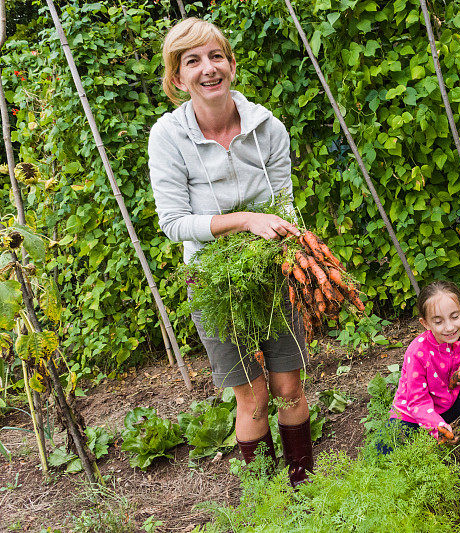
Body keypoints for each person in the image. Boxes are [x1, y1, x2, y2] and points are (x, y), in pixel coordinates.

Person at [148, 17, 313, 487]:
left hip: (273, 273)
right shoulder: (168, 137)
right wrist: (244, 221)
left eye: (215, 56)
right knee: (253, 397)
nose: (207, 69)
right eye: (192, 61)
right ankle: (265, 500)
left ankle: (305, 491)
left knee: (288, 387)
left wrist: (293, 245)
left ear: (231, 64)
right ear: (177, 78)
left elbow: (284, 203)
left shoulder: (269, 129)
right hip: (212, 282)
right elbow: (174, 223)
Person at [378, 281, 460, 457]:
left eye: (454, 317)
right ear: (425, 323)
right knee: (383, 454)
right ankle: (431, 439)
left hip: (446, 407)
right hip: (411, 416)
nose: (449, 327)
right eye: (438, 321)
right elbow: (417, 402)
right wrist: (437, 425)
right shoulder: (417, 352)